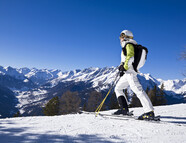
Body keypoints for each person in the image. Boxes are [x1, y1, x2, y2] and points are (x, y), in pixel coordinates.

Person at [114, 30, 155, 120]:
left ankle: (149, 112)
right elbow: (126, 58)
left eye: (122, 36)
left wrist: (124, 67)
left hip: (130, 72)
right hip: (127, 72)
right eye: (120, 36)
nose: (120, 38)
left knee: (138, 90)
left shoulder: (128, 44)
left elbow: (130, 56)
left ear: (126, 36)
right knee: (118, 88)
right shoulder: (127, 45)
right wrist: (122, 67)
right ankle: (124, 109)